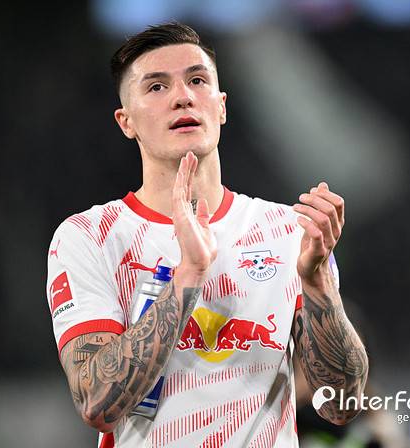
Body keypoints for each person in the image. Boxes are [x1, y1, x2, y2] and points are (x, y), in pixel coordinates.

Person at [46, 22, 368, 447]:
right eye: (156, 87)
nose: (182, 96)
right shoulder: (90, 237)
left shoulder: (288, 232)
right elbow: (96, 402)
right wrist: (190, 273)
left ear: (221, 107)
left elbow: (341, 405)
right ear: (126, 122)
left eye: (197, 80)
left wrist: (317, 283)